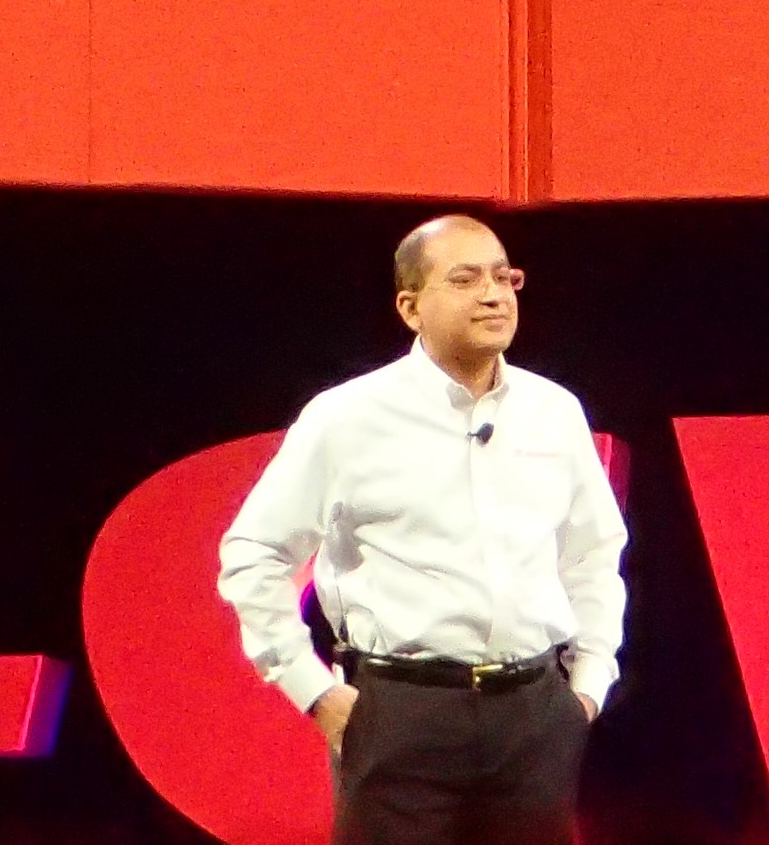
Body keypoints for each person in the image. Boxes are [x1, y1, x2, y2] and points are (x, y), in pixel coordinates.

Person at [219, 214, 627, 845]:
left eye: (504, 277)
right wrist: (313, 690)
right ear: (410, 308)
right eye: (465, 279)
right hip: (401, 714)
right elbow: (254, 554)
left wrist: (589, 685)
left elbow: (593, 555)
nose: (493, 295)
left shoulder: (554, 411)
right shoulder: (348, 417)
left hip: (536, 716)